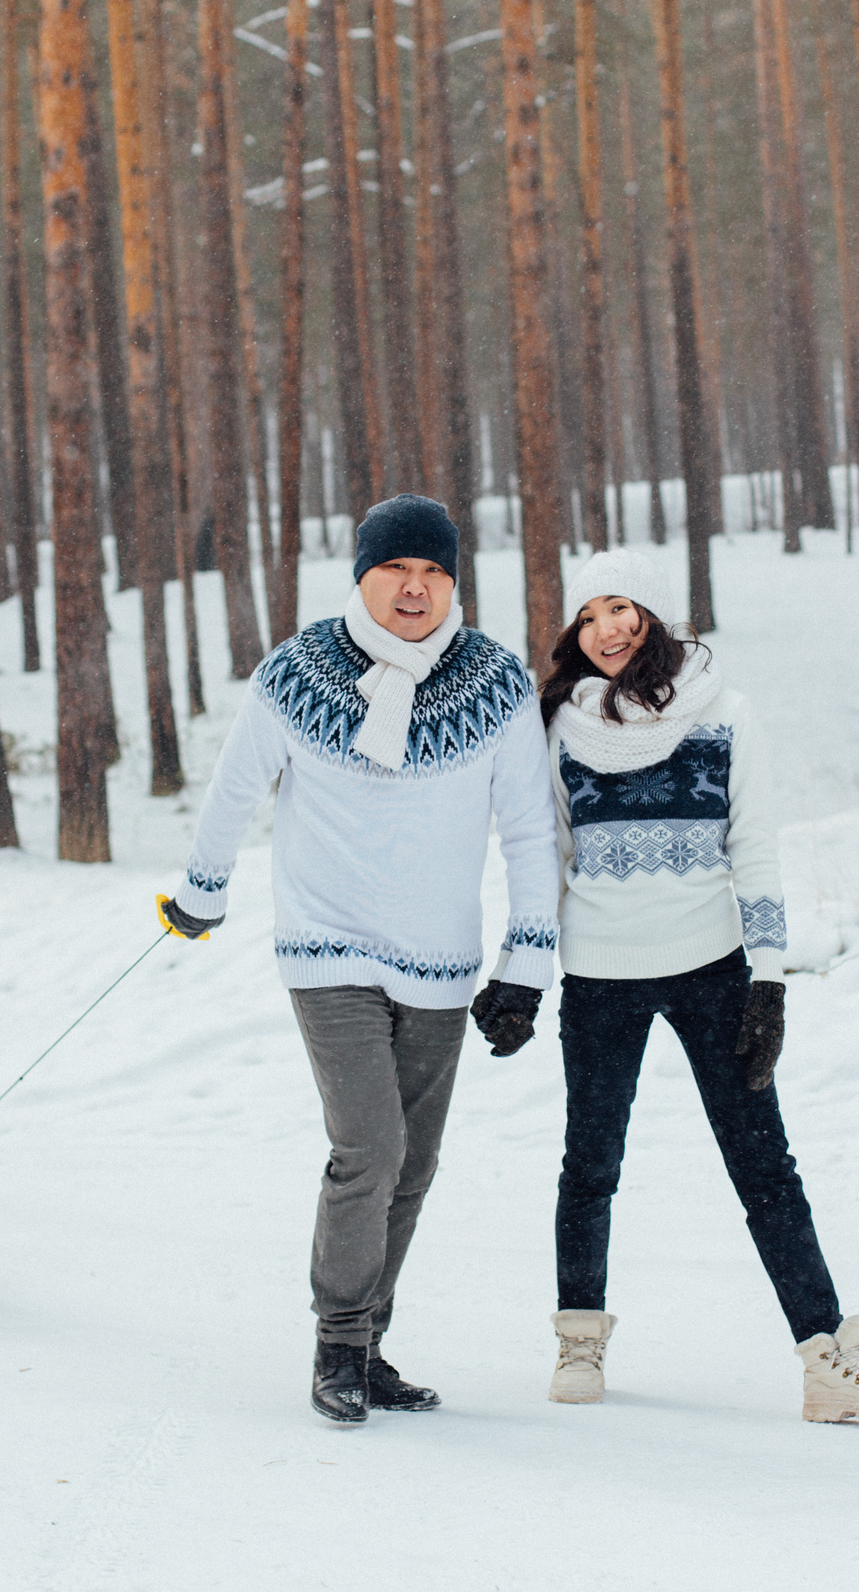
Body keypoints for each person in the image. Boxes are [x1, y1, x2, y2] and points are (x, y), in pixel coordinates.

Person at [159, 494, 560, 1424]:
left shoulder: (495, 682)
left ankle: (371, 1343)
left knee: (413, 1162)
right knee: (369, 1146)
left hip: (441, 957)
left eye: (433, 573)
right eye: (396, 571)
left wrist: (525, 965)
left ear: (453, 581)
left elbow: (531, 832)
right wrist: (200, 890)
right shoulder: (297, 672)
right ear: (363, 576)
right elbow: (234, 787)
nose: (415, 589)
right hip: (326, 944)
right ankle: (336, 1341)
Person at [537, 548, 859, 1425]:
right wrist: (528, 966)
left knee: (763, 1165)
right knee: (588, 1165)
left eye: (623, 607)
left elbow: (754, 849)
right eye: (590, 612)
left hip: (712, 969)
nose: (607, 627)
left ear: (657, 615)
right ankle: (578, 1337)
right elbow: (545, 859)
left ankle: (826, 1359)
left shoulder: (726, 712)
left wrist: (770, 979)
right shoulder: (556, 725)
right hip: (598, 975)